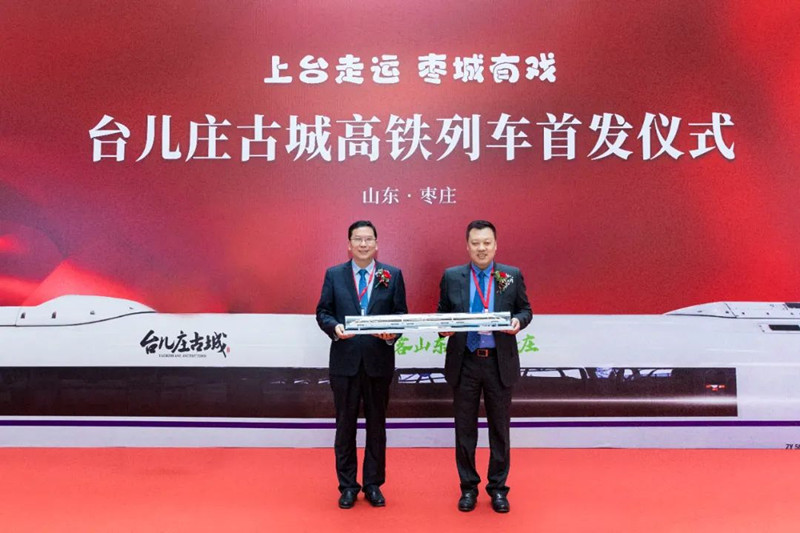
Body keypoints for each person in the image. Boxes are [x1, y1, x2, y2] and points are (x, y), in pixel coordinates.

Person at [437, 219, 532, 513]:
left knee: (499, 430)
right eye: (476, 243)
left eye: (486, 243)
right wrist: (443, 328)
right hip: (465, 361)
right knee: (464, 430)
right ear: (467, 246)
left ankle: (498, 489)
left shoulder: (510, 275)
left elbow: (525, 310)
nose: (481, 248)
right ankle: (468, 489)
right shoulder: (452, 276)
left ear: (495, 245)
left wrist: (518, 322)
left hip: (498, 362)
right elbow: (441, 313)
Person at [316, 220, 407, 509]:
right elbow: (323, 312)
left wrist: (393, 333)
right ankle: (347, 486)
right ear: (349, 244)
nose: (363, 244)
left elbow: (400, 314)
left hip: (378, 362)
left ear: (377, 244)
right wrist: (334, 328)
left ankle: (373, 484)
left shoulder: (392, 275)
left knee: (376, 426)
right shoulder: (334, 275)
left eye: (368, 239)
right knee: (345, 426)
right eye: (358, 239)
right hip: (345, 363)